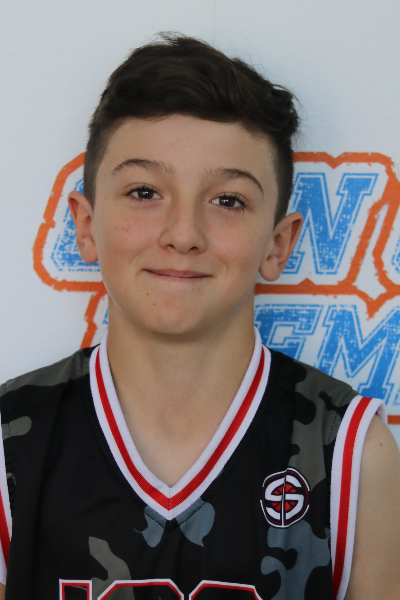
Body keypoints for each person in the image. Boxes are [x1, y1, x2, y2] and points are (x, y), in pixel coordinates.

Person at [0, 33, 399, 600]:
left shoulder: (352, 454)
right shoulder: (11, 444)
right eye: (144, 191)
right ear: (86, 226)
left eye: (228, 200)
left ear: (278, 244)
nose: (183, 233)